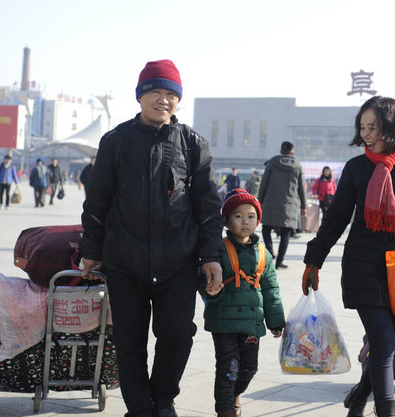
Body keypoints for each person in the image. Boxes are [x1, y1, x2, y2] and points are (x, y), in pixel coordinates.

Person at [79, 59, 224, 417]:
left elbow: (208, 207)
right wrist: (91, 251)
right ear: (140, 96)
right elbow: (98, 202)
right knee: (129, 342)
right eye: (155, 92)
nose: (163, 99)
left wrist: (212, 256)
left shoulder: (193, 145)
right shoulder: (115, 142)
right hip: (125, 261)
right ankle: (140, 409)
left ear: (178, 100)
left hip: (178, 262)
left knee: (177, 336)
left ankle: (163, 401)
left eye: (171, 93)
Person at [301, 96, 395, 417]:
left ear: (393, 127)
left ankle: (357, 400)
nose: (367, 134)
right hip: (362, 267)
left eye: (374, 128)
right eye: (363, 127)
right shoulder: (357, 167)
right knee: (383, 344)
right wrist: (314, 259)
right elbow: (337, 217)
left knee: (392, 347)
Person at [199, 189, 285, 417]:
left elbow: (271, 289)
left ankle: (234, 395)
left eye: (251, 216)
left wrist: (275, 320)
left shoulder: (263, 252)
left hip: (251, 324)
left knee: (249, 369)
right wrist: (213, 293)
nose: (245, 221)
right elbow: (204, 281)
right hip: (223, 322)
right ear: (226, 220)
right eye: (238, 216)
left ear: (258, 220)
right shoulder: (218, 249)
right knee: (228, 369)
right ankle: (225, 410)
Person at [258, 141, 307, 269]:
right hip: (289, 205)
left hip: (270, 202)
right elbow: (302, 188)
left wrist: (259, 201)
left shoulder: (272, 163)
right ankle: (279, 262)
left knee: (266, 228)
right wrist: (303, 207)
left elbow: (264, 184)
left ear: (280, 151)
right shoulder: (297, 165)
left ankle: (270, 252)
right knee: (286, 233)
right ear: (292, 152)